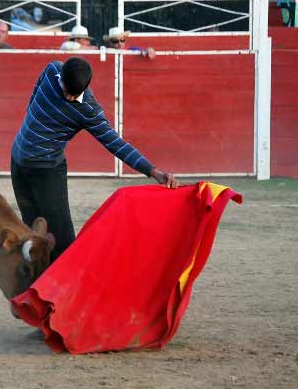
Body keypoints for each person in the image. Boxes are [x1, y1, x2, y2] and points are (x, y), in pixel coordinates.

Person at [11, 57, 179, 264]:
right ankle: (35, 290)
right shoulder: (52, 69)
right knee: (31, 231)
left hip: (47, 170)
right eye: (66, 90)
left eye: (75, 93)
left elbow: (116, 144)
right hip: (18, 163)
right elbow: (38, 86)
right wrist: (31, 114)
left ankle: (64, 293)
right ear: (60, 77)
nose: (70, 97)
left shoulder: (88, 110)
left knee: (62, 241)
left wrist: (153, 171)